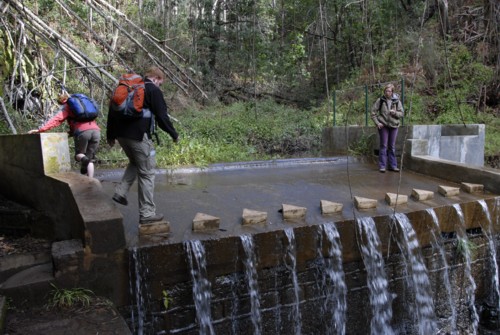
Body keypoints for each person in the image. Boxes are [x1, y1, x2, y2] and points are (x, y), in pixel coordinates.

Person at [106, 66, 179, 225]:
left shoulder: (128, 89)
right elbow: (161, 116)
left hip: (121, 135)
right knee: (147, 172)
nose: (160, 85)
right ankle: (147, 214)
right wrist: (173, 134)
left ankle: (120, 192)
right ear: (156, 78)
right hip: (138, 136)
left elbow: (111, 112)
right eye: (161, 82)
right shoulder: (152, 90)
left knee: (135, 162)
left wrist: (110, 135)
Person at [28, 93, 101, 178]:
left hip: (82, 132)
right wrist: (71, 132)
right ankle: (90, 180)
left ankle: (84, 160)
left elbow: (56, 119)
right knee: (90, 158)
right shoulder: (84, 104)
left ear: (62, 101)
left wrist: (40, 129)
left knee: (79, 155)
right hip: (96, 131)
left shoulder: (67, 106)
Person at [370, 83, 404, 173]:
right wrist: (377, 123)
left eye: (389, 91)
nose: (387, 92)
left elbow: (402, 113)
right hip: (384, 125)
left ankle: (393, 166)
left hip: (394, 125)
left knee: (391, 146)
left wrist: (395, 113)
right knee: (383, 145)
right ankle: (382, 166)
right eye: (386, 91)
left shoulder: (397, 101)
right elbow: (373, 113)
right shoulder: (380, 100)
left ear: (392, 92)